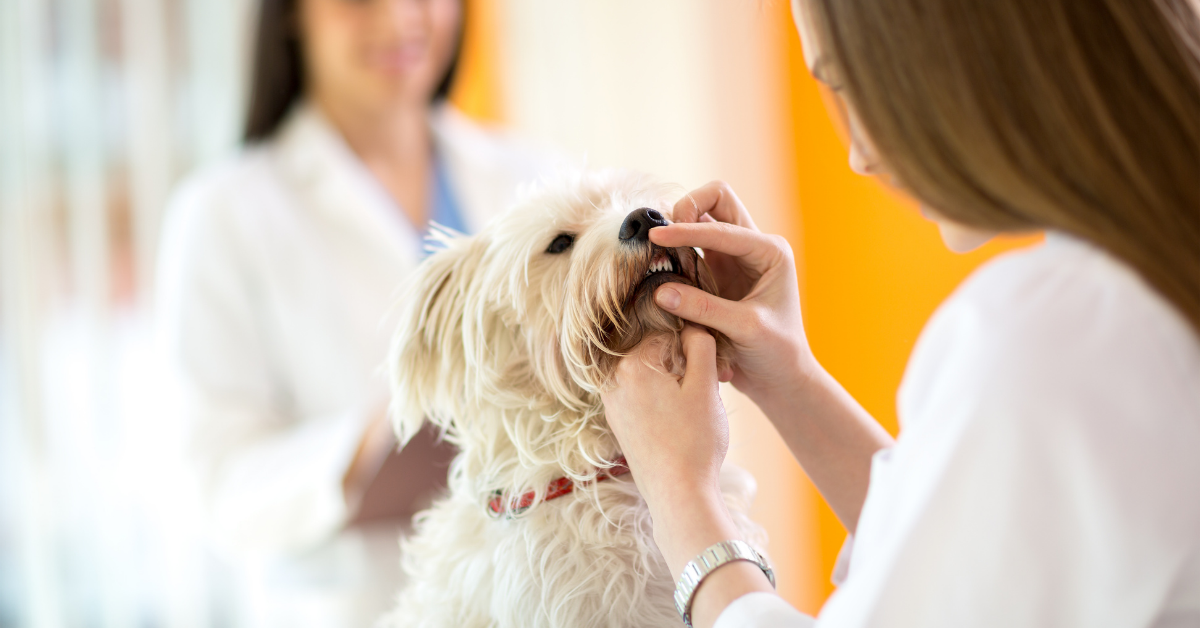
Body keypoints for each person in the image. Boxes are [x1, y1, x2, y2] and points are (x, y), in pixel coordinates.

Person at [601, 0, 1200, 627]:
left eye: (850, 81)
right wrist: (791, 378)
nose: (860, 153)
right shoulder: (1132, 294)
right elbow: (975, 554)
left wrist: (679, 493)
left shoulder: (1060, 333)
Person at [155, 0, 552, 625]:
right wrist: (362, 451)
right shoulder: (222, 213)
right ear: (290, 15)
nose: (399, 18)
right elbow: (219, 485)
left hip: (546, 594)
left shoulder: (532, 178)